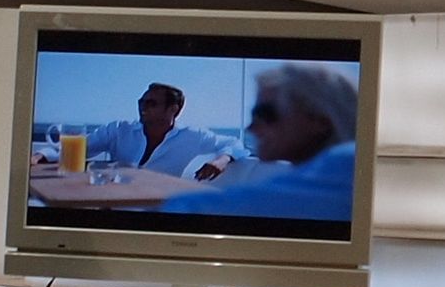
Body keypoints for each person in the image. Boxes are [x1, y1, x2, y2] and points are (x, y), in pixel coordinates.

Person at [154, 62, 362, 219]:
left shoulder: (346, 166)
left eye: (265, 113)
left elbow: (191, 209)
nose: (251, 127)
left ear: (320, 120)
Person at [84, 81, 234, 178]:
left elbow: (233, 144)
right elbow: (80, 148)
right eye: (141, 102)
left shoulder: (192, 136)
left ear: (173, 109)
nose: (143, 107)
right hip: (116, 206)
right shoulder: (118, 130)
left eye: (151, 103)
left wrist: (221, 161)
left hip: (160, 210)